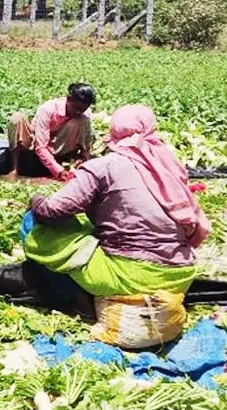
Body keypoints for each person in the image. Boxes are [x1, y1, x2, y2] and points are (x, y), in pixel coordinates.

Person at [24, 104, 208, 311]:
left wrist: (36, 200)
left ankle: (76, 299)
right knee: (93, 229)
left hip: (129, 277)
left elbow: (51, 211)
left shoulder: (104, 166)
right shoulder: (169, 164)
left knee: (34, 222)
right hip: (179, 277)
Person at [7, 83, 97, 180]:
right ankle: (14, 168)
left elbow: (87, 143)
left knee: (81, 120)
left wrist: (83, 158)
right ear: (68, 99)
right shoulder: (47, 109)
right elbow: (40, 146)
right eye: (76, 108)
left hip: (60, 145)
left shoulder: (84, 115)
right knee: (17, 118)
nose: (78, 112)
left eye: (82, 110)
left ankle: (67, 161)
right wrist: (58, 171)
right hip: (36, 143)